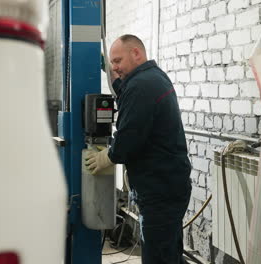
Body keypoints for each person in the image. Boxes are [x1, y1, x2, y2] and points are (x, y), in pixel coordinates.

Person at [85, 34, 192, 264]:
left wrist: (106, 157)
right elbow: (123, 90)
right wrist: (109, 69)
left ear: (136, 54)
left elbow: (127, 140)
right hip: (169, 186)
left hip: (159, 190)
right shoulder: (151, 78)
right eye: (111, 62)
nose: (115, 67)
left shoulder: (142, 86)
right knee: (169, 251)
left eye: (118, 61)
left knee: (158, 256)